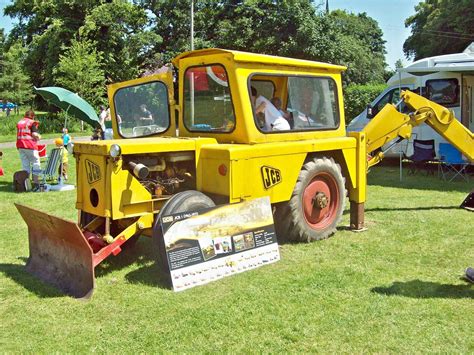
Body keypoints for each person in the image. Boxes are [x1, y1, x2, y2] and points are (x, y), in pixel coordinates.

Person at [16, 110, 41, 191]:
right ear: (33, 116)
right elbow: (34, 134)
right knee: (35, 162)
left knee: (25, 165)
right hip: (29, 145)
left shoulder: (20, 122)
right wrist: (39, 137)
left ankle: (26, 184)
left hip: (20, 145)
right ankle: (36, 182)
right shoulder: (32, 122)